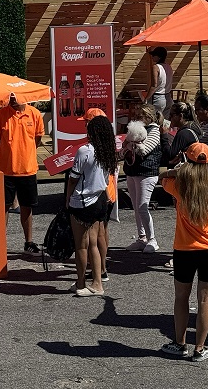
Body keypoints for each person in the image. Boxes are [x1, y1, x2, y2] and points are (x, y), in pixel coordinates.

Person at [159, 143, 208, 362]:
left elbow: (163, 178)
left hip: (185, 249)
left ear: (188, 163)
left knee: (181, 297)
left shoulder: (181, 185)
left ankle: (180, 343)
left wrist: (177, 170)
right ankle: (199, 348)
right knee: (205, 299)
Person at [66, 115, 117, 297]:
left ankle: (81, 282)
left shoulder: (84, 151)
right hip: (100, 199)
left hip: (82, 201)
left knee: (81, 245)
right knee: (93, 243)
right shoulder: (108, 151)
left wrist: (67, 199)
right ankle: (97, 282)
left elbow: (73, 179)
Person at [0, 93, 45, 254]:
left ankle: (28, 242)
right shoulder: (1, 114)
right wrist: (5, 154)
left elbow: (38, 137)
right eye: (10, 97)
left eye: (15, 96)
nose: (12, 99)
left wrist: (26, 153)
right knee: (4, 207)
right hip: (6, 170)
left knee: (27, 206)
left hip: (28, 169)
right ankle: (0, 241)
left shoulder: (34, 114)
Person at [121, 104, 163, 252]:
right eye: (136, 116)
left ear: (148, 116)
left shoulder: (154, 131)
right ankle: (142, 237)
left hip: (147, 173)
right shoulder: (137, 131)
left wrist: (130, 145)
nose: (136, 119)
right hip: (132, 172)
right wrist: (127, 146)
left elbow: (144, 150)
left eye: (140, 116)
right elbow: (123, 152)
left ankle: (153, 240)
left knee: (142, 207)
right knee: (136, 207)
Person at [162, 101, 202, 167]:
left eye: (172, 115)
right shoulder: (192, 127)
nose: (169, 118)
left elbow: (170, 155)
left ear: (180, 116)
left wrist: (164, 135)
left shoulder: (184, 133)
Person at [142, 46, 174, 116]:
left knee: (155, 120)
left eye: (154, 55)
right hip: (168, 97)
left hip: (158, 98)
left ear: (159, 57)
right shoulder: (169, 67)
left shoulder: (156, 67)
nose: (152, 56)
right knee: (166, 122)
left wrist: (146, 99)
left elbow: (154, 86)